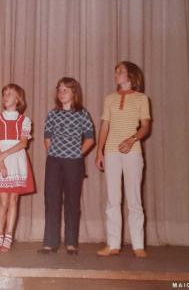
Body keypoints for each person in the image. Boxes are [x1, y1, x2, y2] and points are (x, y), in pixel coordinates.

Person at [95, 61, 151, 258]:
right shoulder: (109, 98)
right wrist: (99, 151)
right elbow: (104, 126)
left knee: (134, 199)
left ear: (131, 76)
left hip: (133, 152)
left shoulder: (142, 99)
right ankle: (113, 244)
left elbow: (145, 127)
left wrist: (132, 139)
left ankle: (138, 245)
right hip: (111, 152)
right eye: (115, 71)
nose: (116, 74)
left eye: (120, 71)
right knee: (113, 199)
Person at [38, 78, 94, 255]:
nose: (61, 93)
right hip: (54, 161)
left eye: (66, 90)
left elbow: (90, 139)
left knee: (72, 201)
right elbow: (47, 138)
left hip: (74, 163)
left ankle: (71, 242)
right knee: (52, 200)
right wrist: (53, 153)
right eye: (59, 90)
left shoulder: (82, 114)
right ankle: (50, 242)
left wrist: (77, 154)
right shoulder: (52, 114)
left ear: (74, 93)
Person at [0, 83, 35, 253]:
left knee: (13, 200)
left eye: (10, 94)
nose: (6, 96)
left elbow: (23, 143)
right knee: (3, 202)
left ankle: (9, 236)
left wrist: (5, 154)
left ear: (18, 99)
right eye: (4, 93)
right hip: (1, 160)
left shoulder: (25, 121)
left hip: (16, 159)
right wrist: (0, 162)